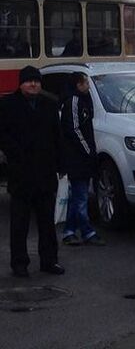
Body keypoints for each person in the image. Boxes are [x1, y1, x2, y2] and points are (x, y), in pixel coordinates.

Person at [0, 66, 65, 277]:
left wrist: (61, 165)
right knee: (20, 223)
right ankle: (19, 263)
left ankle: (49, 260)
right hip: (21, 173)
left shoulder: (49, 104)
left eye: (36, 81)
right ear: (21, 84)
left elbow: (57, 137)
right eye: (29, 81)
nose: (33, 84)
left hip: (45, 173)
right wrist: (15, 153)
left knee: (47, 222)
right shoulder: (8, 105)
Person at [60, 72, 105, 246]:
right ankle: (87, 231)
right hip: (77, 157)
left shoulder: (82, 100)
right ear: (78, 85)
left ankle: (70, 231)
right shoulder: (74, 101)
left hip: (81, 156)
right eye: (85, 82)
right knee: (81, 195)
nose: (87, 85)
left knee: (78, 195)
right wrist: (87, 149)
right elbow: (74, 128)